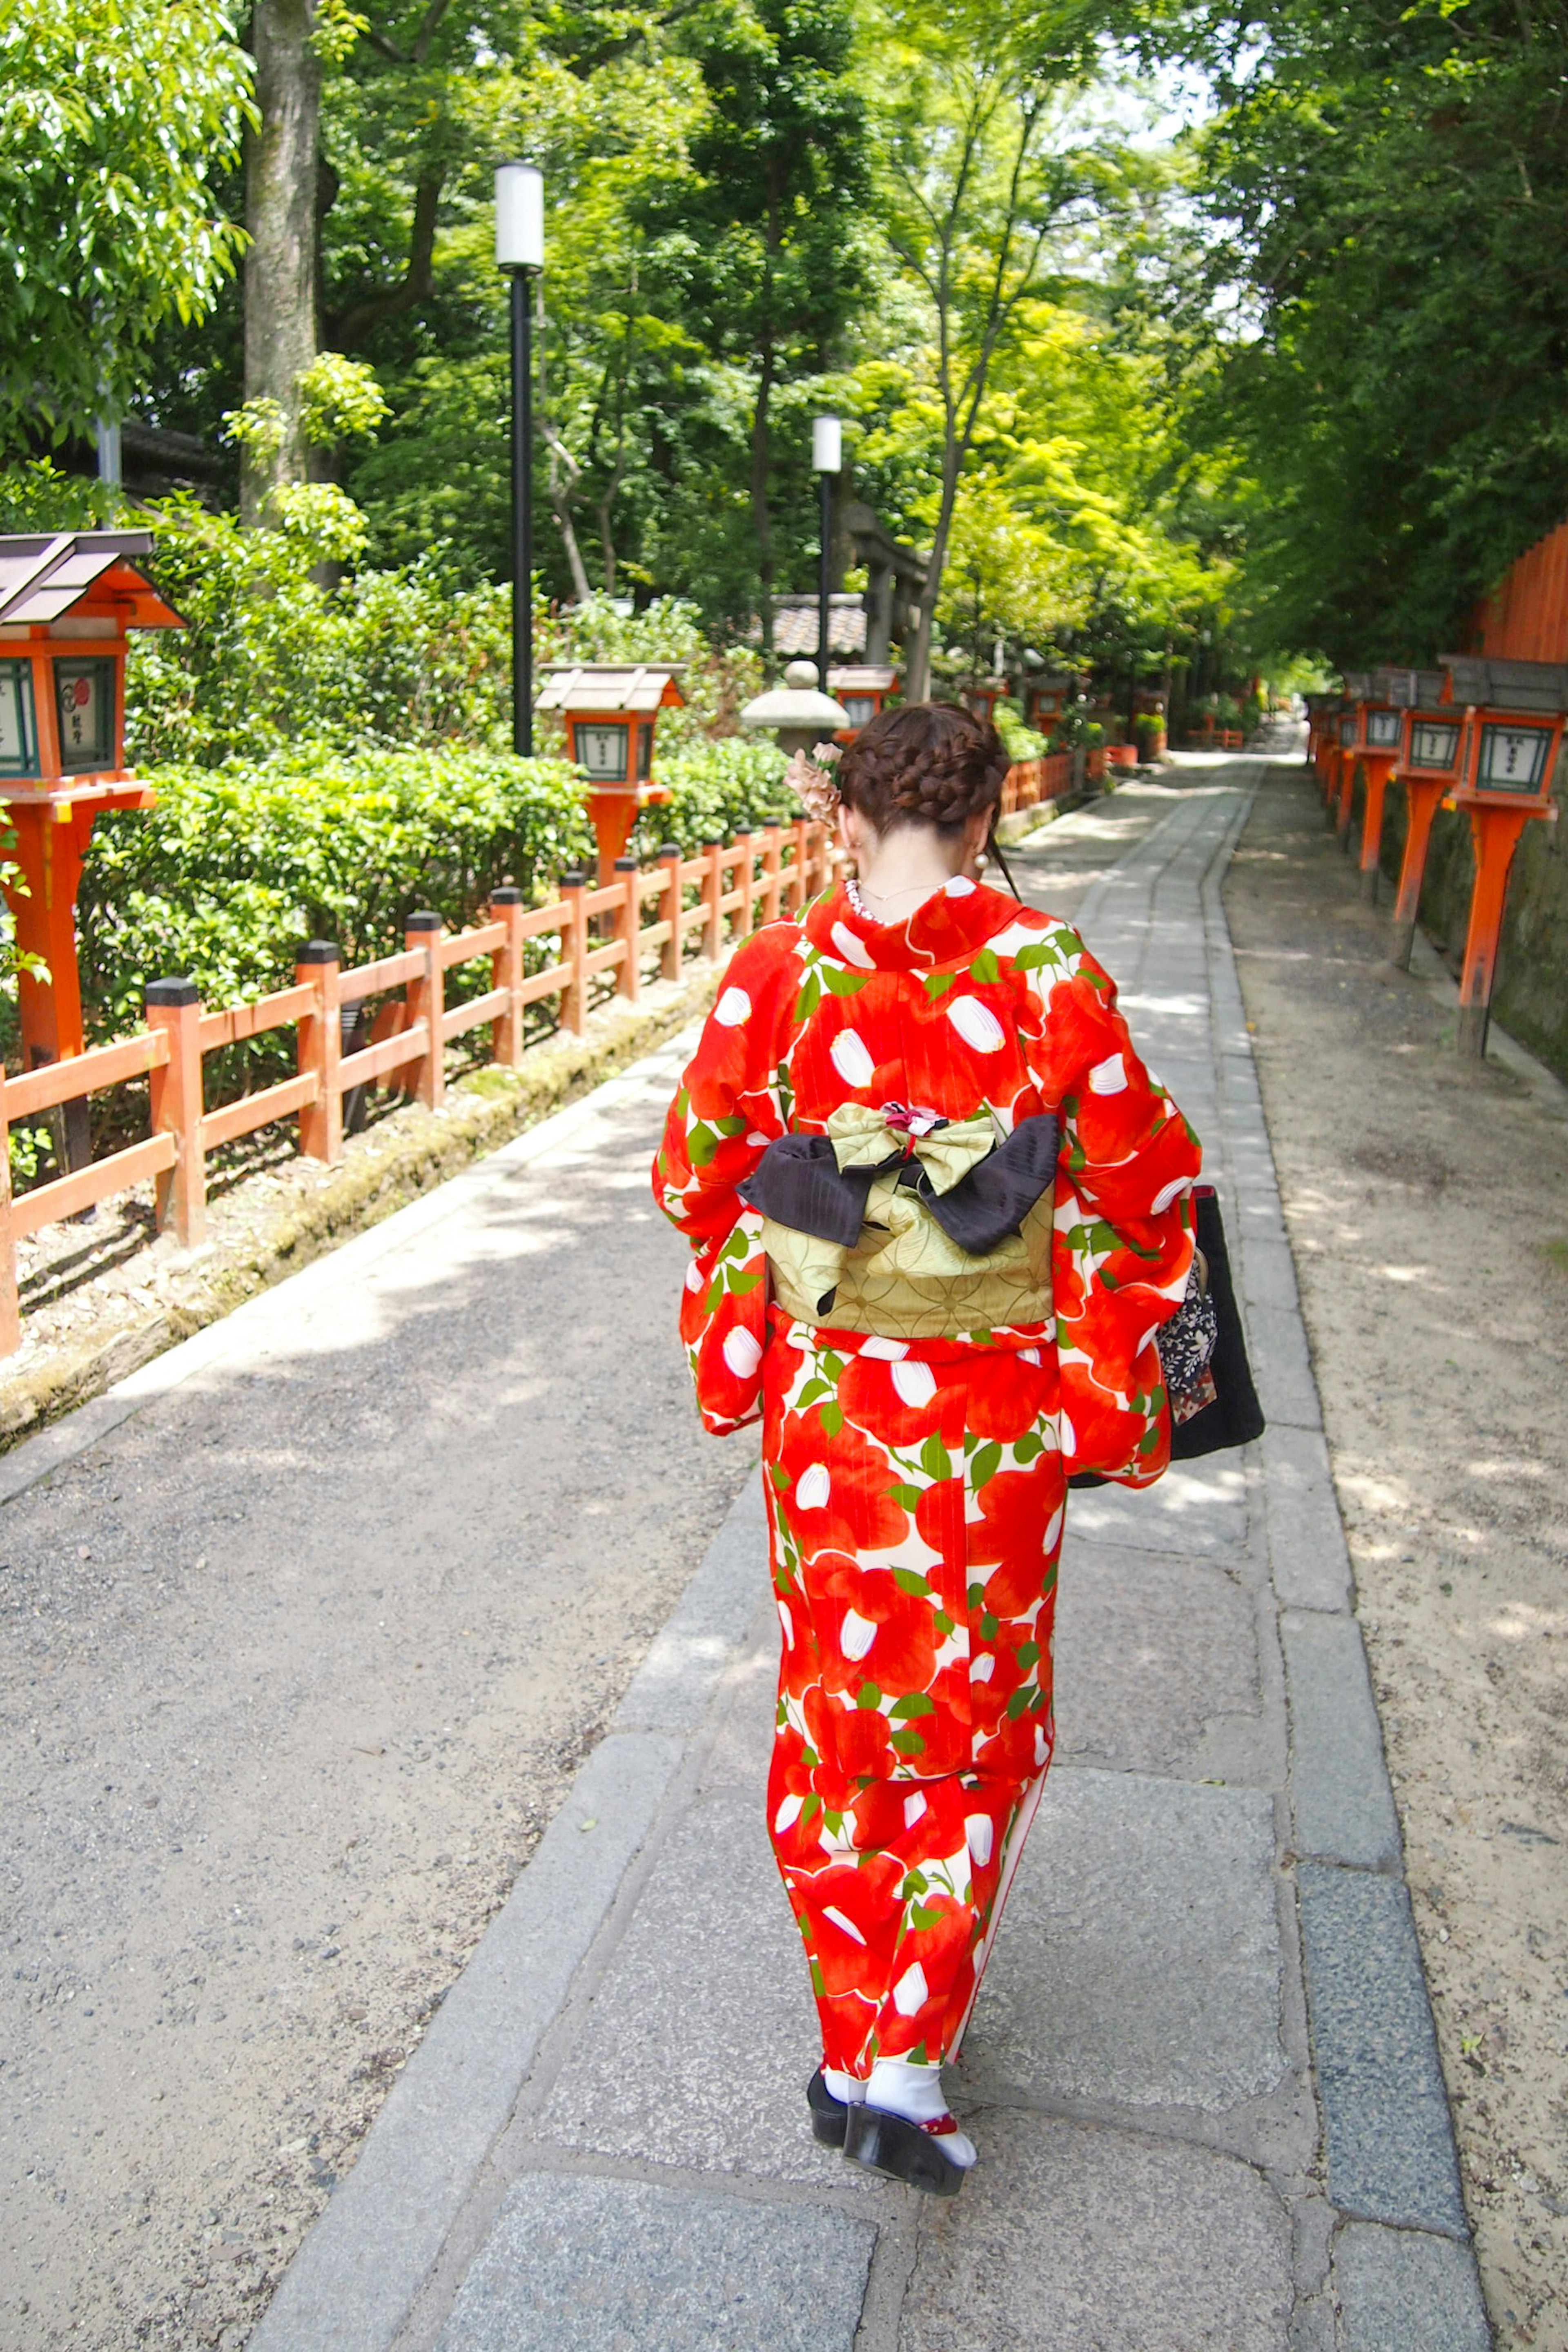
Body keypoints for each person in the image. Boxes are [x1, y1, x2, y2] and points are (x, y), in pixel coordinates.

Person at [653, 701, 1200, 2196]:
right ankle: (908, 2050)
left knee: (839, 1709)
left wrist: (814, 1228)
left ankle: (851, 2042)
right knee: (975, 1713)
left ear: (845, 820)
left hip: (833, 1416)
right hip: (995, 1416)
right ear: (984, 821)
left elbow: (694, 1177)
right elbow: (1151, 1180)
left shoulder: (774, 973)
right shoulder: (1048, 972)